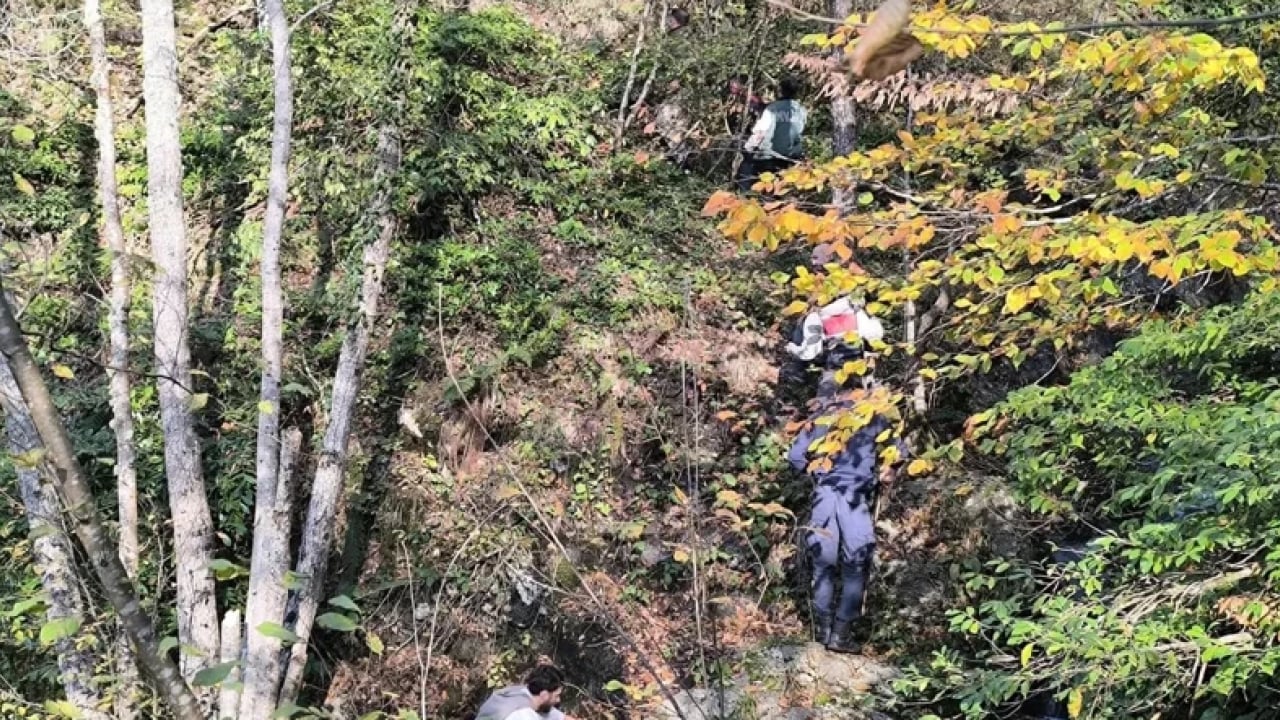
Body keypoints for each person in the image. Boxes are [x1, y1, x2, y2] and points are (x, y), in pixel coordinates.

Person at [788, 383, 903, 654]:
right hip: (855, 499)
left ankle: (822, 631)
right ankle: (841, 634)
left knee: (823, 565)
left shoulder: (822, 416)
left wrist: (818, 474)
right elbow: (896, 454)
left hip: (825, 497)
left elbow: (794, 456)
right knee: (855, 564)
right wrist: (887, 472)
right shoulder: (875, 416)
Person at [736, 76, 807, 192]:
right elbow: (799, 132)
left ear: (781, 90)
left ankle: (744, 198)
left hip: (769, 157)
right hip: (790, 157)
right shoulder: (801, 110)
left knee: (746, 172)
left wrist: (748, 148)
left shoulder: (773, 109)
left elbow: (761, 132)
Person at [476, 664, 566, 720]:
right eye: (557, 695)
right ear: (544, 695)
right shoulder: (523, 715)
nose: (558, 700)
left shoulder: (518, 692)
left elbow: (556, 716)